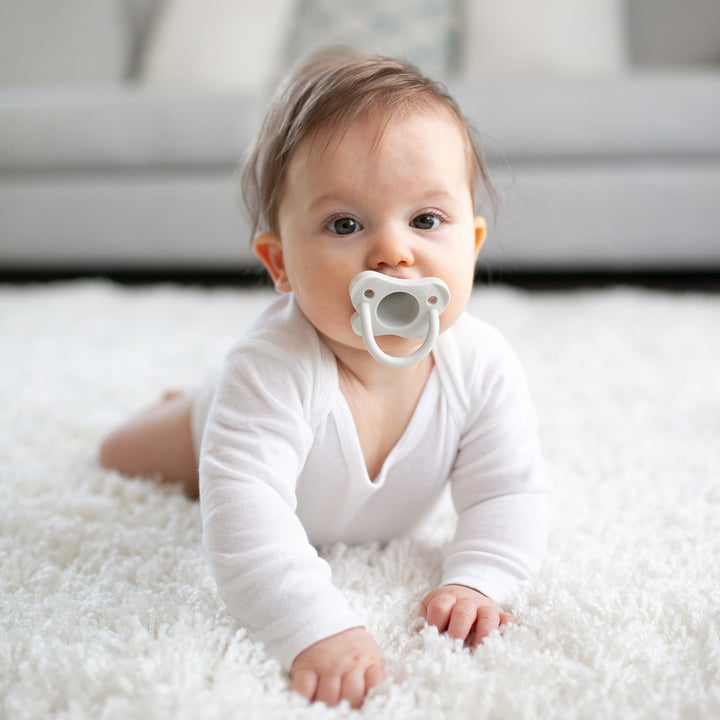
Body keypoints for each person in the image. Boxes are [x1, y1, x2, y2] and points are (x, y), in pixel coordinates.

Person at [99, 47, 548, 709]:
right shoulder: (270, 371)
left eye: (427, 220)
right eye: (345, 224)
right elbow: (245, 524)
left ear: (472, 245)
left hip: (264, 416)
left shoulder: (481, 364)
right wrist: (313, 626)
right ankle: (199, 407)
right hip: (230, 413)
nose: (395, 251)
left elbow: (509, 492)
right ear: (280, 264)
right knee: (120, 454)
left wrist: (480, 580)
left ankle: (212, 408)